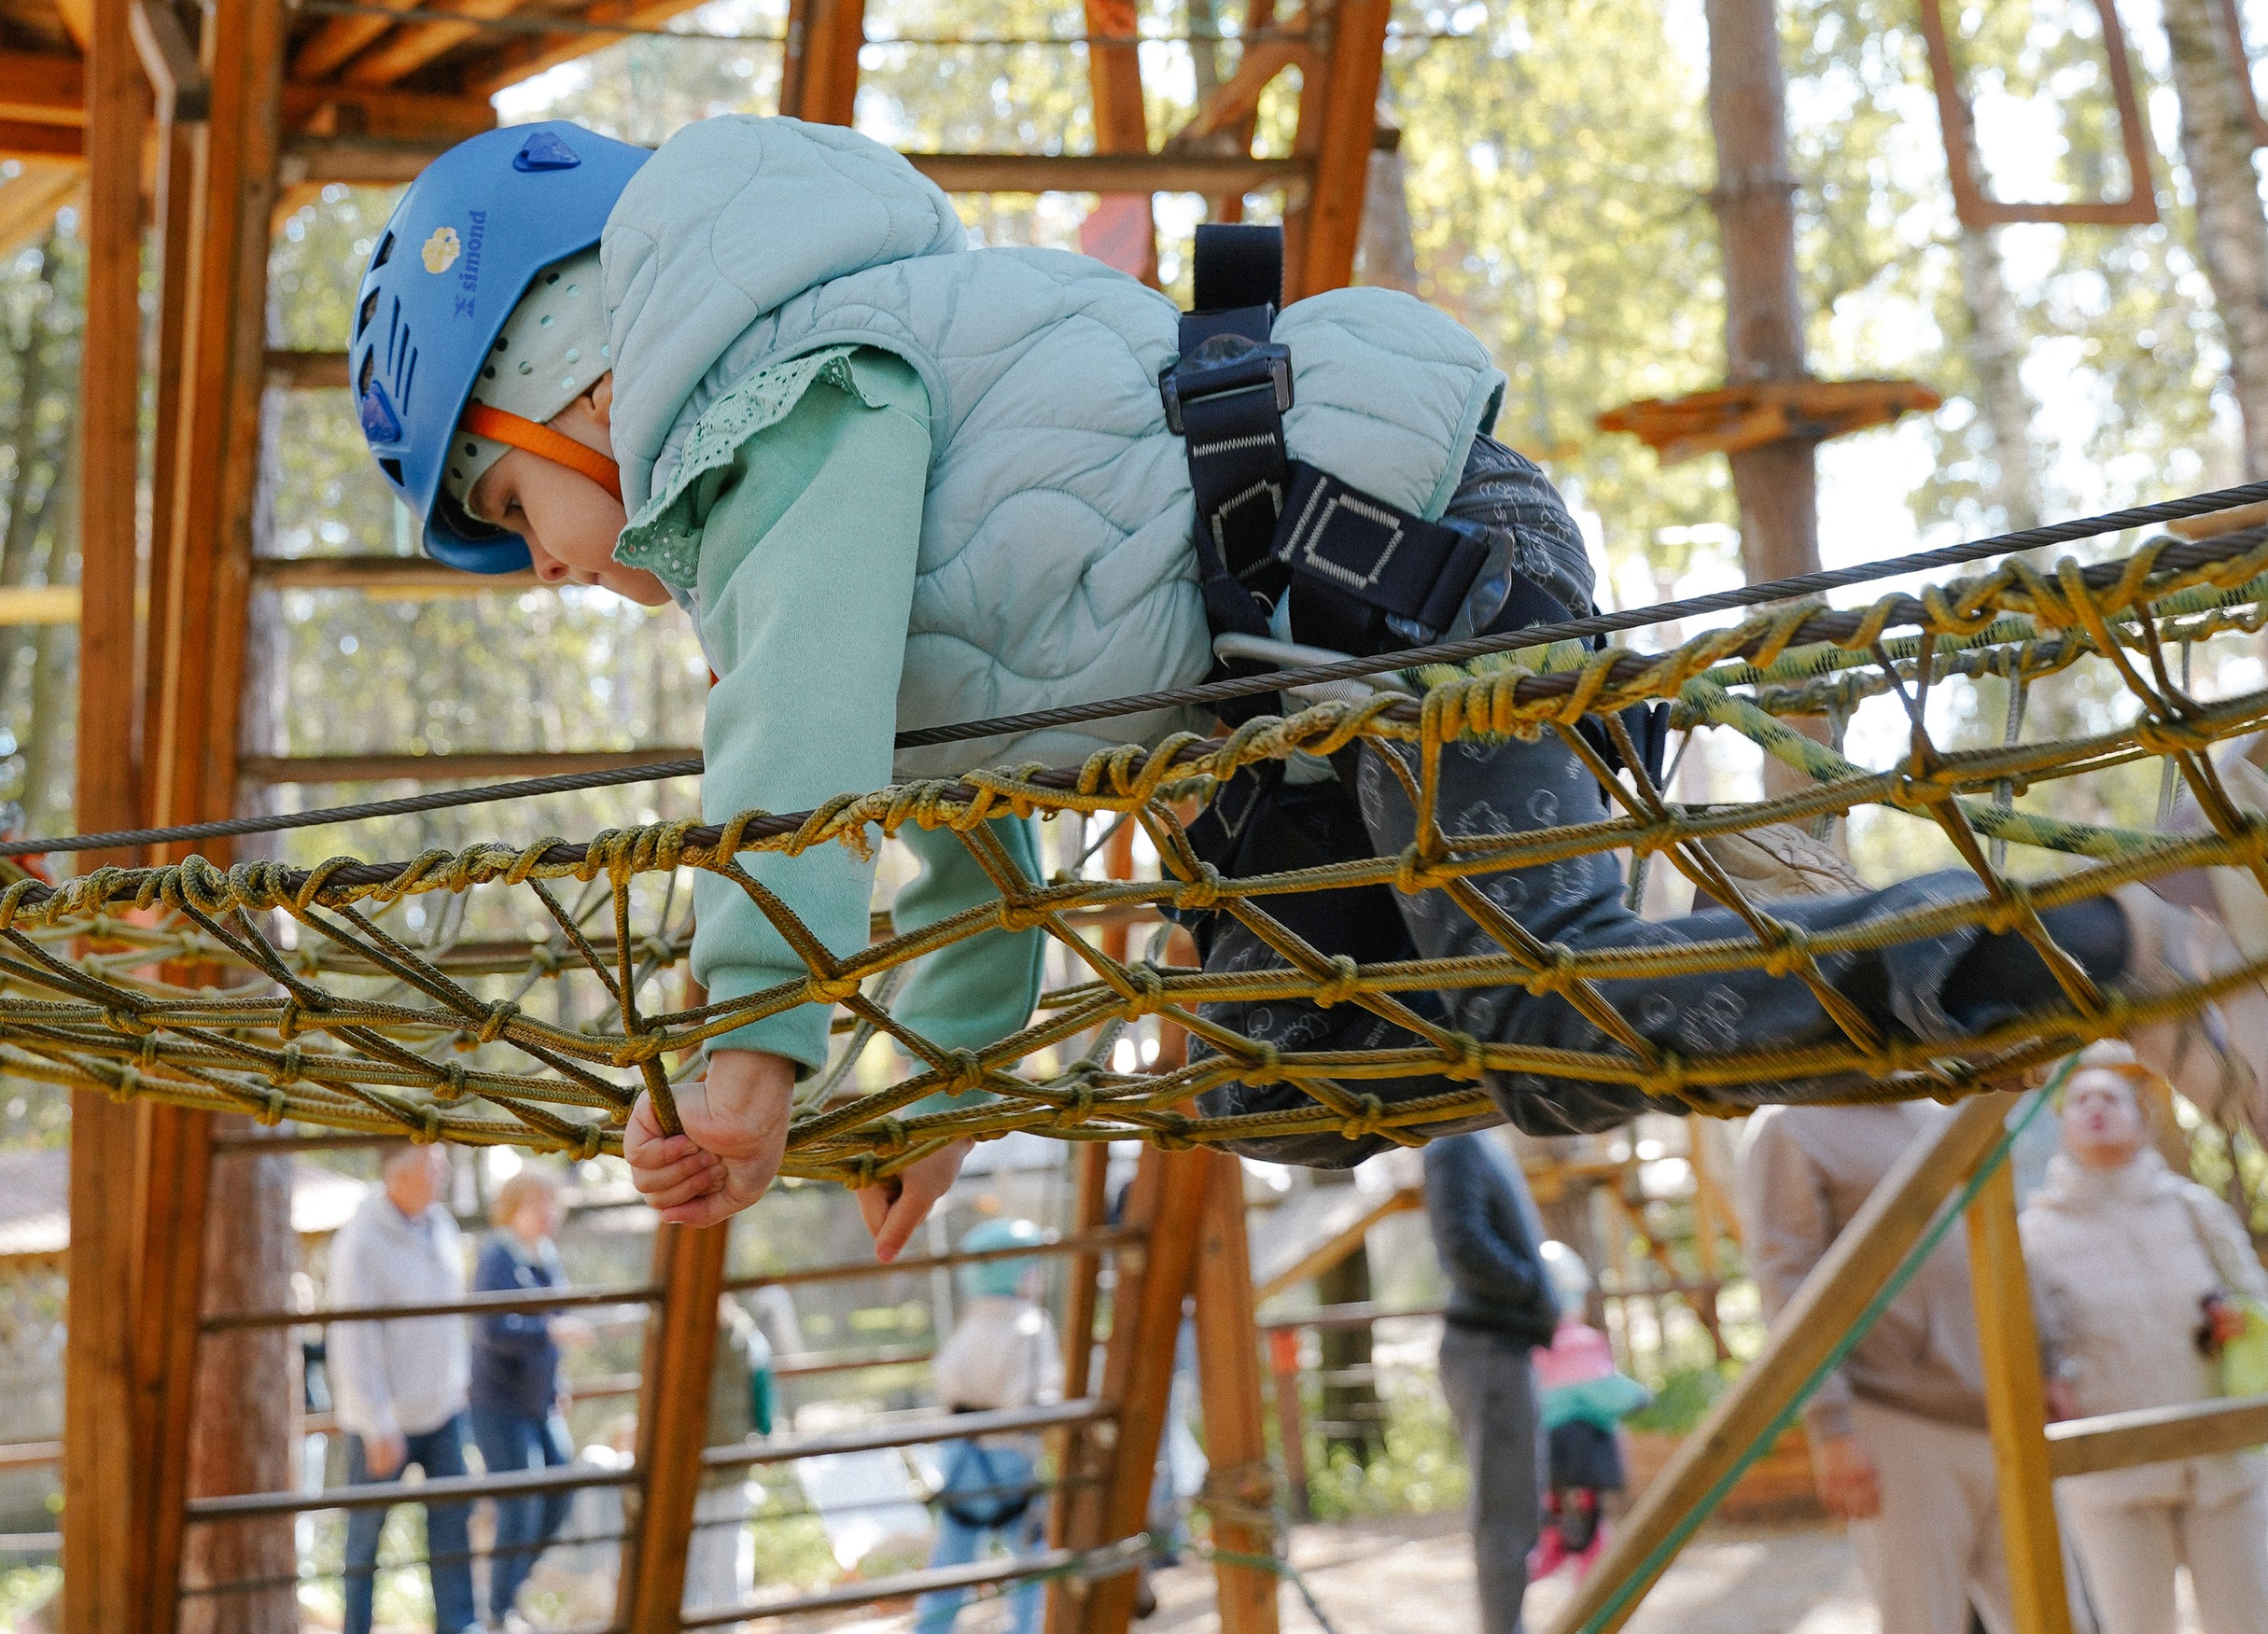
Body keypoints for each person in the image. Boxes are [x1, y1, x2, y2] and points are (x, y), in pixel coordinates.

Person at [344, 115, 2250, 1259]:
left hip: (1407, 580)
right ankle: (1980, 950)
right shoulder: (800, 429)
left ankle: (2074, 932)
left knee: (1539, 1007)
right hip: (1299, 698)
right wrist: (929, 1097)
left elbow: (797, 748)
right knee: (1274, 1081)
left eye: (513, 509)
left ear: (569, 363)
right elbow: (954, 850)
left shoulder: (779, 407)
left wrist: (751, 1047)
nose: (556, 566)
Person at [1742, 1097, 2020, 1634]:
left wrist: (2044, 1366)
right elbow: (1786, 1282)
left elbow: (2008, 1247)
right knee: (1924, 1621)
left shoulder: (1941, 1113)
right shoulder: (1790, 1125)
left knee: (2060, 1617)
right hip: (1895, 1416)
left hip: (2002, 1409)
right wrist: (1831, 1425)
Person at [2021, 1043, 2268, 1634]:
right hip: (2110, 1478)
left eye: (2112, 1098)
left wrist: (2240, 1318)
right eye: (2081, 1101)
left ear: (2142, 1117)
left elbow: (2255, 1299)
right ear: (2062, 1123)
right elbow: (2029, 1349)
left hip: (2222, 1461)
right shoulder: (2032, 1235)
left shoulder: (2195, 1210)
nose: (2097, 1109)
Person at [326, 1143, 479, 1634]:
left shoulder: (442, 1226)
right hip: (384, 1423)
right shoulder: (360, 1242)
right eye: (434, 1164)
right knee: (365, 1539)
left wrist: (461, 1382)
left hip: (443, 1410)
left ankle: (459, 1626)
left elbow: (451, 1318)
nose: (445, 1172)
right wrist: (378, 1424)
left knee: (452, 1529)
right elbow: (353, 1340)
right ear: (402, 1176)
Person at [1423, 1128, 1552, 1634]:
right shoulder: (1453, 1143)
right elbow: (1462, 1242)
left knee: (1515, 1511)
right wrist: (1530, 1286)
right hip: (1489, 1348)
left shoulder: (1476, 1142)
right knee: (1505, 1519)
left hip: (1502, 1346)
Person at [913, 1219, 1063, 1634]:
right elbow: (1032, 1398)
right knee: (1031, 1559)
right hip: (1011, 1457)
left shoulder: (968, 1325)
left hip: (962, 1458)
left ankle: (931, 1629)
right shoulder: (1032, 1327)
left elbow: (947, 1383)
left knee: (952, 1561)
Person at [469, 1167, 574, 1632]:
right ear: (514, 1209)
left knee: (560, 1489)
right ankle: (498, 1610)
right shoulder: (497, 1256)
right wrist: (548, 1332)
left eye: (551, 1204)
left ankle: (512, 1593)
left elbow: (558, 1320)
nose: (547, 1215)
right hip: (500, 1402)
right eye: (537, 1205)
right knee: (520, 1503)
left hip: (540, 1402)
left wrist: (559, 1380)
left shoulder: (544, 1257)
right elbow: (492, 1329)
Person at [1527, 1241, 1646, 1585]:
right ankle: (1593, 1588)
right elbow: (1605, 1390)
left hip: (1543, 1457)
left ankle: (1535, 1566)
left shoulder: (1529, 1346)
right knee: (1591, 1529)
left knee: (1553, 1522)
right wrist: (1639, 1397)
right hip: (1580, 1457)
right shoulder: (1579, 1342)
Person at [687, 1292, 777, 1620]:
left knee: (727, 1554)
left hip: (731, 1465)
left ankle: (725, 1626)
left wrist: (766, 1438)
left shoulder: (747, 1341)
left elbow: (762, 1393)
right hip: (691, 1470)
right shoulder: (687, 1339)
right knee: (691, 1558)